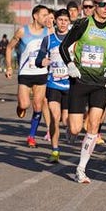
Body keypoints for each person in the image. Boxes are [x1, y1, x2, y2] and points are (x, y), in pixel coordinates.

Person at [59, 0, 106, 184]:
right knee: (75, 127)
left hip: (100, 83)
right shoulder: (83, 24)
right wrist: (70, 65)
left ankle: (81, 169)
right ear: (95, 5)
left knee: (93, 125)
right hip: (80, 81)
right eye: (103, 5)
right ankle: (70, 131)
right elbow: (63, 47)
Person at [5, 5, 51, 147]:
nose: (47, 18)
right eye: (44, 15)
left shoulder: (49, 32)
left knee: (38, 105)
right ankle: (21, 105)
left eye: (48, 15)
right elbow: (9, 47)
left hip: (41, 73)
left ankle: (31, 136)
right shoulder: (22, 31)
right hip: (25, 72)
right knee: (25, 104)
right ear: (35, 16)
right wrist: (9, 66)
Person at [35, 9, 72, 163]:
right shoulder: (49, 40)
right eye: (60, 20)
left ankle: (70, 130)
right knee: (54, 118)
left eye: (66, 20)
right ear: (55, 21)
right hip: (53, 84)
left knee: (65, 120)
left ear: (69, 22)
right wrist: (43, 62)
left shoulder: (74, 39)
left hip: (70, 85)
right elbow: (38, 60)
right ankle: (55, 150)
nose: (63, 23)